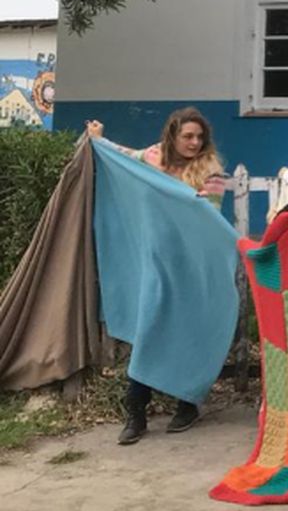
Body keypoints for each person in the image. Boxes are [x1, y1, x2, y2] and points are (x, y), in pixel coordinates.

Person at [85, 109, 228, 445]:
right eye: (187, 136)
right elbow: (121, 157)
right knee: (149, 328)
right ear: (172, 136)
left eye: (199, 137)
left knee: (189, 332)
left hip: (190, 263)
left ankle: (188, 403)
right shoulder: (152, 157)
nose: (194, 143)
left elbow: (209, 217)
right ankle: (136, 409)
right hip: (153, 260)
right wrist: (98, 139)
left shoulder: (212, 171)